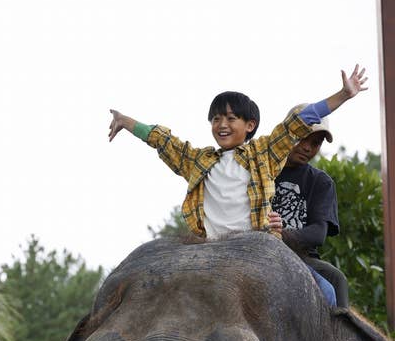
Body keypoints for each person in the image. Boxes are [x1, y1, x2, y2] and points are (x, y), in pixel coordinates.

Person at [109, 66, 367, 304]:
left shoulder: (263, 154)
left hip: (256, 247)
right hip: (211, 249)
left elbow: (299, 122)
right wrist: (125, 121)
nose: (222, 125)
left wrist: (343, 94)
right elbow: (163, 141)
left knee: (328, 291)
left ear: (250, 125)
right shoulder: (198, 161)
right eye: (216, 119)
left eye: (231, 118)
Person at [270, 113, 349, 307]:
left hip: (301, 256)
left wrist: (277, 235)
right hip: (254, 247)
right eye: (302, 138)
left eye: (315, 143)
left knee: (336, 280)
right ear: (286, 134)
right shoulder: (262, 171)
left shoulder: (321, 182)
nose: (307, 147)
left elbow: (318, 234)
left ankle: (338, 327)